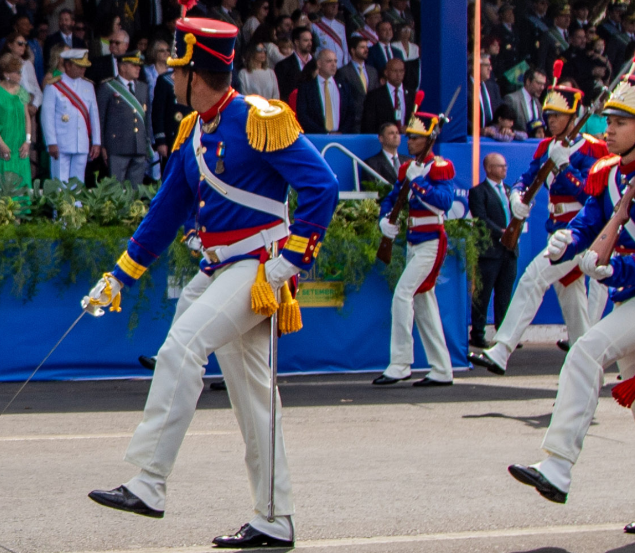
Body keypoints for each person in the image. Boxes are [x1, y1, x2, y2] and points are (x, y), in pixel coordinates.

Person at [81, 17, 337, 549]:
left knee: (182, 348)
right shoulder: (194, 131)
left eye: (176, 70)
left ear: (197, 74)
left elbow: (322, 187)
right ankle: (274, 518)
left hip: (257, 268)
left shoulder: (259, 119)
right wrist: (119, 276)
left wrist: (287, 264)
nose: (170, 79)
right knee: (254, 402)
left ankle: (149, 482)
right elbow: (166, 210)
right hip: (218, 268)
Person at [505, 73, 635, 535]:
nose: (609, 127)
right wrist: (567, 240)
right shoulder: (609, 174)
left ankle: (557, 464)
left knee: (585, 350)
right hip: (633, 294)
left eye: (621, 121)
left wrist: (621, 270)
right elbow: (591, 220)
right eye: (609, 119)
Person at [466, 79, 612, 374]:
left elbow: (591, 194)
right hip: (554, 231)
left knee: (533, 278)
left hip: (580, 234)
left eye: (557, 115)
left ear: (574, 116)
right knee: (575, 309)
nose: (550, 120)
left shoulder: (594, 149)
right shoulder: (546, 146)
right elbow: (527, 178)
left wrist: (566, 168)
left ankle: (502, 349)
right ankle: (588, 370)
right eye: (549, 115)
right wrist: (517, 197)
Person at [371, 98, 463, 387]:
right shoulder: (408, 168)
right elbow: (393, 197)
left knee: (403, 294)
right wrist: (386, 217)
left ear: (429, 140)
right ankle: (441, 369)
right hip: (414, 241)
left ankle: (400, 363)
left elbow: (444, 202)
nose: (409, 141)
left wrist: (420, 183)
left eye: (415, 137)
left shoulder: (440, 167)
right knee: (424, 303)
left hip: (432, 241)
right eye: (408, 136)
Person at [468, 151, 518, 348]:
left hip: (510, 250)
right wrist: (501, 233)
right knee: (483, 294)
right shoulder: (478, 192)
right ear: (489, 168)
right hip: (490, 251)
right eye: (500, 166)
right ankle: (478, 333)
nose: (504, 169)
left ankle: (503, 334)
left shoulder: (508, 190)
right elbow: (480, 219)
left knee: (505, 294)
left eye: (505, 166)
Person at [42, 47, 98, 181]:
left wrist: (96, 141)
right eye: (79, 66)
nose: (83, 69)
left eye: (84, 67)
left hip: (81, 141)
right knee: (60, 180)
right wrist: (51, 142)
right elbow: (47, 116)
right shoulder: (54, 86)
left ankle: (76, 203)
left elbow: (94, 115)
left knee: (78, 181)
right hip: (61, 142)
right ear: (68, 65)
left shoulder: (88, 86)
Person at [97, 50, 149, 182]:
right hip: (117, 146)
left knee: (136, 192)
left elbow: (147, 118)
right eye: (134, 65)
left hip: (139, 146)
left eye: (139, 65)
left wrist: (148, 142)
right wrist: (102, 145)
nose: (138, 68)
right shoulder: (108, 87)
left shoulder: (143, 87)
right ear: (123, 66)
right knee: (116, 189)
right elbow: (101, 119)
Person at [0, 52, 30, 186]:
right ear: (6, 73)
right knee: (1, 183)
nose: (20, 75)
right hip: (1, 144)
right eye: (17, 72)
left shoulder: (22, 91)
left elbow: (27, 117)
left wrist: (28, 141)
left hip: (20, 145)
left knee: (22, 183)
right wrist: (1, 144)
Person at [293, 48, 351, 134]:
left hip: (341, 138)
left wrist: (342, 132)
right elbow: (303, 116)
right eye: (329, 61)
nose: (333, 65)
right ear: (319, 63)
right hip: (317, 138)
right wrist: (324, 133)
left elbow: (350, 113)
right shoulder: (306, 88)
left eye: (335, 61)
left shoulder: (344, 86)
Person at [357, 56, 408, 137]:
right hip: (382, 142)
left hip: (406, 141)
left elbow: (415, 116)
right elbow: (368, 126)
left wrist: (409, 128)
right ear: (386, 72)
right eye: (395, 71)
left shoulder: (412, 95)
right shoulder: (374, 96)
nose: (398, 74)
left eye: (401, 71)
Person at [503, 69, 544, 136]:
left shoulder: (538, 103)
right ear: (528, 81)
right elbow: (505, 128)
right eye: (538, 83)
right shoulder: (512, 100)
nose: (542, 88)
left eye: (543, 84)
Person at [360, 121, 399, 187]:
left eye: (397, 133)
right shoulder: (371, 164)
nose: (395, 136)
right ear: (381, 138)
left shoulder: (408, 161)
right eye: (391, 133)